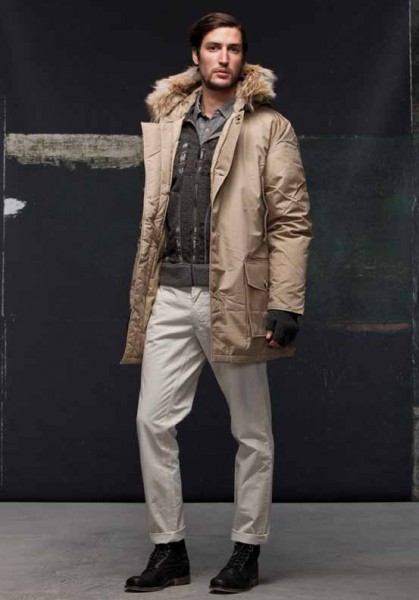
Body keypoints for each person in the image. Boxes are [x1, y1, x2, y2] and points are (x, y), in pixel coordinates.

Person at [121, 11, 312, 594]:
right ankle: (169, 550)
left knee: (252, 431)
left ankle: (246, 550)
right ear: (196, 56)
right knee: (152, 421)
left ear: (243, 57)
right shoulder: (168, 123)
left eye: (233, 48)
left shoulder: (270, 127)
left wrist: (287, 302)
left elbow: (291, 221)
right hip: (169, 293)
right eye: (213, 47)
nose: (223, 57)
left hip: (237, 297)